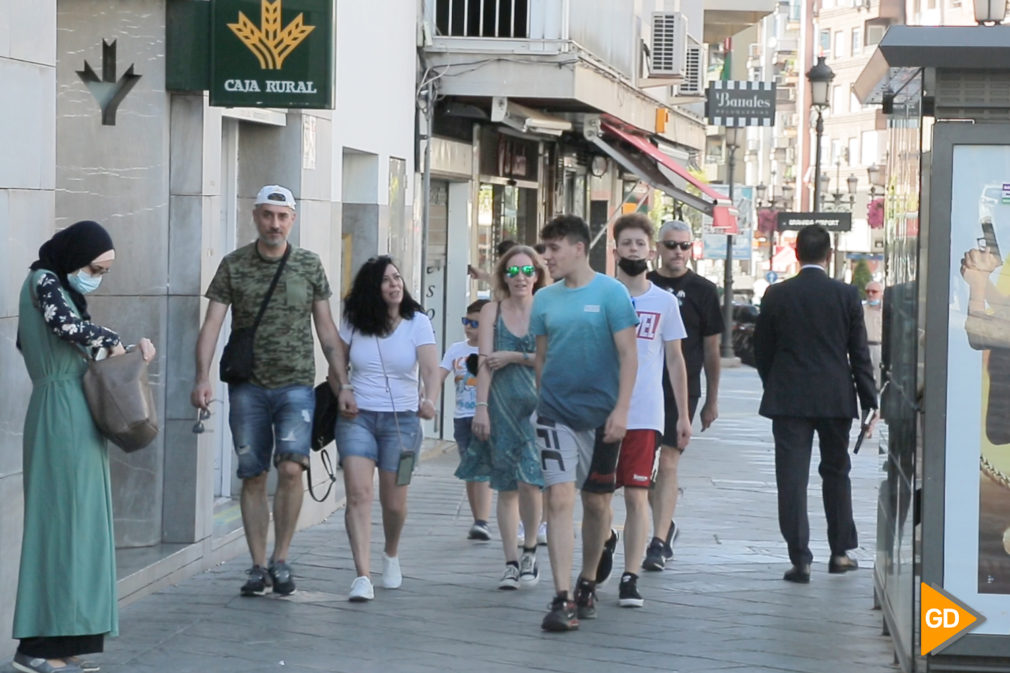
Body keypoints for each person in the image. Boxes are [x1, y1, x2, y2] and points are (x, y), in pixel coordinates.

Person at [13, 221, 156, 673]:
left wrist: (125, 350)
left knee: (79, 528)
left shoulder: (58, 286)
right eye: (94, 267)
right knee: (59, 527)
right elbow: (67, 327)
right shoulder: (44, 281)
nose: (95, 276)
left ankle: (62, 640)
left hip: (73, 412)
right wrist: (116, 342)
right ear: (75, 255)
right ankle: (35, 646)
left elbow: (75, 340)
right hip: (61, 414)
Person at [191, 185, 342, 597]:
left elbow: (326, 328)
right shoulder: (234, 265)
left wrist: (340, 380)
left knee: (292, 467)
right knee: (252, 473)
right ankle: (257, 564)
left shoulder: (309, 265)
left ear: (292, 220)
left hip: (296, 384)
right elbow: (212, 326)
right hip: (248, 388)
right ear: (255, 216)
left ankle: (282, 558)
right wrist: (202, 376)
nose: (274, 223)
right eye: (267, 215)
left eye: (282, 216)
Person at [531, 215, 639, 632]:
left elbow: (629, 356)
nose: (547, 257)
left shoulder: (612, 293)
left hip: (603, 417)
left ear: (579, 249)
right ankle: (561, 598)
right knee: (558, 498)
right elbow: (542, 356)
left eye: (554, 249)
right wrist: (544, 400)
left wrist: (622, 411)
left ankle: (588, 581)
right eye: (545, 249)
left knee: (596, 503)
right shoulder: (545, 299)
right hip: (555, 413)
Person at [753, 224, 877, 583]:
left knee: (791, 478)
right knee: (836, 473)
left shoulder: (776, 295)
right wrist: (869, 400)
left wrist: (773, 383)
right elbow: (859, 353)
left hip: (789, 398)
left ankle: (800, 559)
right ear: (829, 254)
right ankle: (840, 553)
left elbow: (763, 349)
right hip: (835, 397)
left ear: (796, 254)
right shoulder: (846, 295)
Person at [331, 255, 441, 601]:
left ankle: (390, 553)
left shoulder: (417, 322)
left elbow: (430, 368)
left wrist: (430, 400)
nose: (395, 284)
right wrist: (343, 390)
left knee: (394, 502)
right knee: (359, 494)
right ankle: (362, 575)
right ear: (371, 288)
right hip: (357, 417)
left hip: (403, 421)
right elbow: (337, 363)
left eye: (397, 278)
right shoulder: (354, 321)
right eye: (386, 280)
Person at [607, 214, 691, 608]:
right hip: (602, 413)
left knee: (637, 495)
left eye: (641, 243)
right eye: (627, 244)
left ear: (650, 249)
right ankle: (604, 540)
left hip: (645, 414)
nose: (634, 250)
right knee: (598, 497)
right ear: (616, 250)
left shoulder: (664, 301)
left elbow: (675, 360)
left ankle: (630, 575)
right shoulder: (603, 295)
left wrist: (684, 414)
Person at [462, 245, 547, 590]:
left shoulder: (546, 309)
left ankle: (530, 551)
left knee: (530, 480)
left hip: (538, 408)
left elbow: (549, 357)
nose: (520, 278)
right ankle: (511, 562)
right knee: (506, 487)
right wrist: (480, 408)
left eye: (527, 271)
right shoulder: (491, 311)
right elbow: (484, 361)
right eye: (512, 272)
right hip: (500, 406)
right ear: (502, 277)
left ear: (537, 275)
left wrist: (513, 355)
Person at [644, 220, 723, 570]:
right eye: (671, 245)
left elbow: (712, 350)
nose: (678, 252)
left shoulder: (703, 291)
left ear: (692, 249)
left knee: (669, 460)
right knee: (641, 470)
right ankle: (666, 521)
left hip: (682, 388)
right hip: (642, 386)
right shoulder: (642, 285)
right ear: (658, 248)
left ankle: (658, 542)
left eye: (684, 246)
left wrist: (711, 400)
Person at [439, 299, 493, 541]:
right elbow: (439, 375)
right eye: (466, 322)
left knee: (481, 468)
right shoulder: (456, 350)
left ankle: (483, 520)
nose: (468, 327)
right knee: (470, 471)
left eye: (475, 323)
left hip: (487, 416)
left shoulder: (494, 350)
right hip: (461, 418)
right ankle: (477, 519)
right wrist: (426, 395)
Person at [863, 280, 883, 387]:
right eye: (868, 291)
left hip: (879, 347)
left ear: (881, 293)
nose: (870, 294)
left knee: (880, 378)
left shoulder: (886, 310)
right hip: (864, 346)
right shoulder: (861, 309)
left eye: (874, 291)